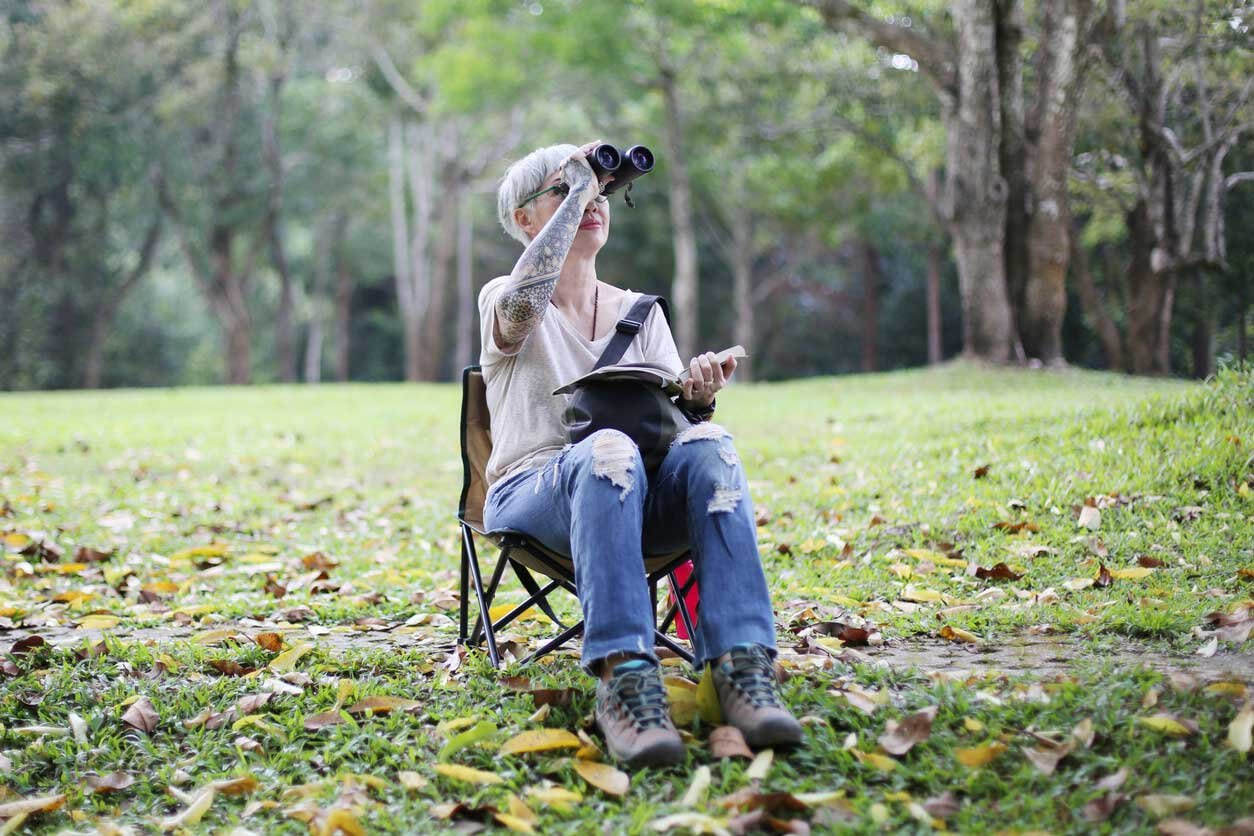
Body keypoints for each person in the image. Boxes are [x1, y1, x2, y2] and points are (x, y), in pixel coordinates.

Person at [479, 141, 801, 768]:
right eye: (565, 189)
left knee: (710, 446)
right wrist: (581, 187)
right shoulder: (504, 295)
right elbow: (520, 313)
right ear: (524, 219)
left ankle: (741, 668)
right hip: (534, 491)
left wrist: (699, 403)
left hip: (636, 490)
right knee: (607, 450)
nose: (591, 200)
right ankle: (626, 678)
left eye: (599, 190)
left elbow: (674, 433)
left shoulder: (639, 313)